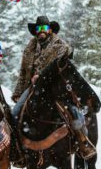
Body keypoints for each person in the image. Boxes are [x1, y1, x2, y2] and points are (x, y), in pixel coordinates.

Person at [11, 15, 96, 159]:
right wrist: (18, 92)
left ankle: (82, 142)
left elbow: (64, 69)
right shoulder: (29, 50)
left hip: (55, 88)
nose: (41, 31)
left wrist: (43, 77)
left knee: (73, 111)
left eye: (44, 28)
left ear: (50, 30)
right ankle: (18, 151)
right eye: (38, 28)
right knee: (14, 114)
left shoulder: (60, 47)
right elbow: (23, 73)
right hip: (32, 88)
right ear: (35, 31)